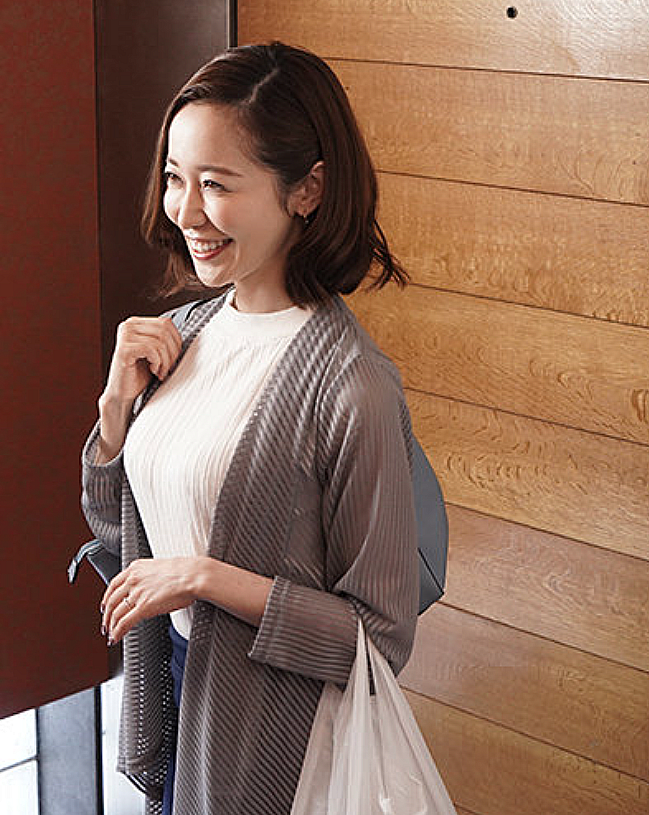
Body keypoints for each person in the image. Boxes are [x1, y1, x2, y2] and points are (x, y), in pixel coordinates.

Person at [82, 43, 419, 814]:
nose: (185, 211)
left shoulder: (352, 386)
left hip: (273, 741)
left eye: (216, 184)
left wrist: (205, 577)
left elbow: (377, 643)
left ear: (307, 189)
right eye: (175, 177)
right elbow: (122, 541)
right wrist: (112, 418)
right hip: (177, 691)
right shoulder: (182, 334)